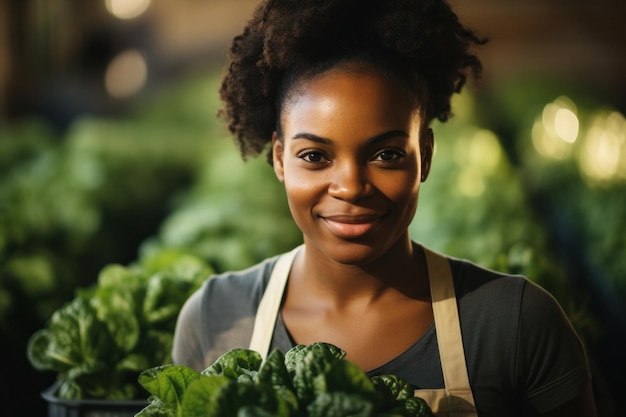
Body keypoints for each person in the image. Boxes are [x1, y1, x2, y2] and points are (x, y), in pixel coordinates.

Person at [172, 1, 597, 416]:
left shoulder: (516, 323)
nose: (351, 187)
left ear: (425, 156)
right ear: (280, 159)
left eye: (386, 154)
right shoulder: (214, 318)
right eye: (315, 156)